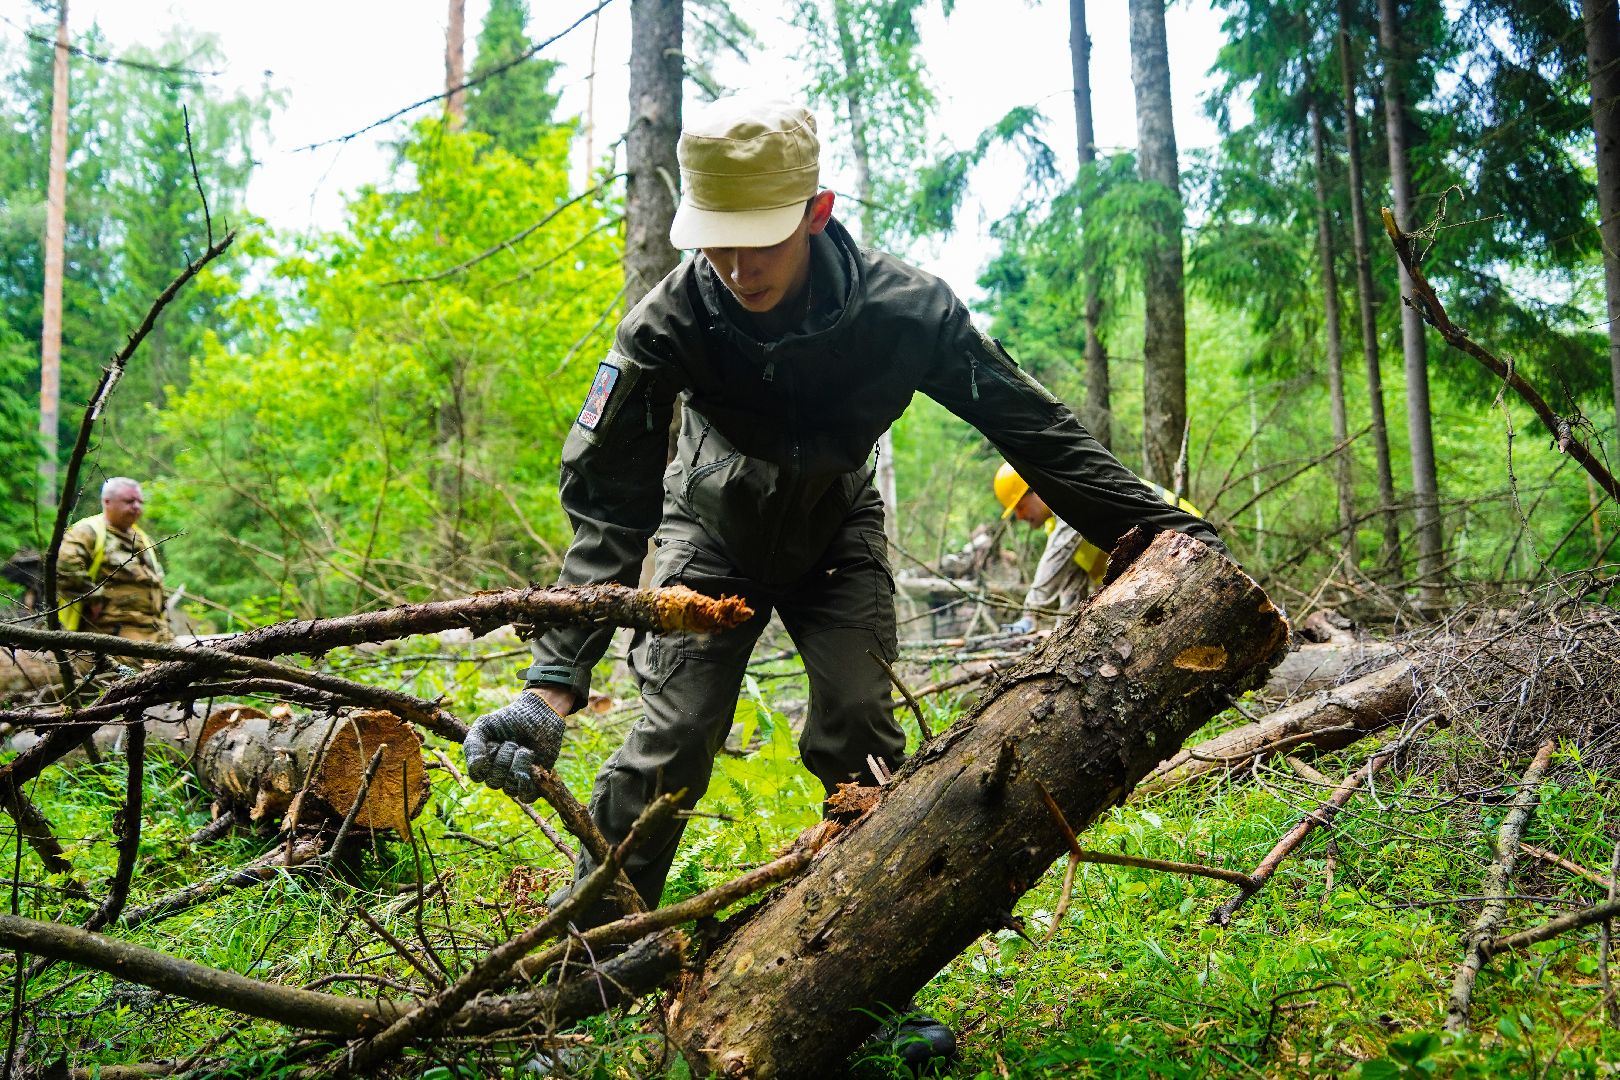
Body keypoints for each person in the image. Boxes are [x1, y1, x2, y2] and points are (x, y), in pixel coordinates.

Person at [462, 98, 1225, 1067]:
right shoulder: (668, 325)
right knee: (671, 739)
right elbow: (612, 505)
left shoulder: (906, 313)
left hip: (838, 535)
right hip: (711, 535)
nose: (735, 270)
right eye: (716, 246)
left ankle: (867, 981)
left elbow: (1039, 439)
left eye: (760, 245)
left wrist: (1172, 541)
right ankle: (579, 977)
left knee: (862, 734)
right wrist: (551, 685)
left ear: (816, 212)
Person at [994, 462, 1204, 633]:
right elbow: (1071, 581)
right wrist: (1061, 632)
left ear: (1037, 487)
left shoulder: (1072, 497)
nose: (1020, 516)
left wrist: (1030, 614)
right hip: (1165, 566)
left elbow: (1056, 558)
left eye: (1020, 506)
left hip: (1189, 543)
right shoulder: (1057, 524)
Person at [56, 477, 171, 643]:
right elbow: (65, 567)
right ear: (107, 502)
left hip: (156, 631)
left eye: (140, 502)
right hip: (111, 632)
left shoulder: (143, 538)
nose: (137, 506)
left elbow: (158, 584)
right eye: (129, 501)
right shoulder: (88, 531)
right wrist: (93, 598)